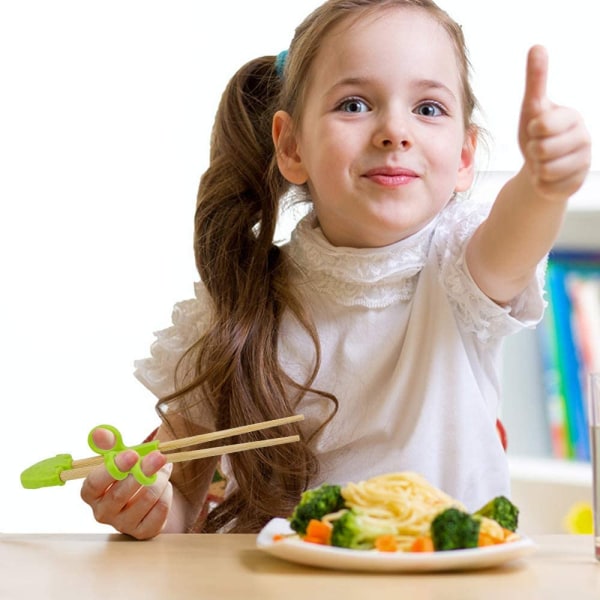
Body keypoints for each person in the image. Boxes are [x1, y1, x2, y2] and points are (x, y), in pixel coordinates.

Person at [80, 0, 591, 540]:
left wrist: (543, 185)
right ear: (291, 145)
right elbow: (181, 499)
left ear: (465, 158)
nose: (395, 130)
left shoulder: (462, 268)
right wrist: (147, 504)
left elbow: (514, 239)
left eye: (429, 109)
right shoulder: (239, 301)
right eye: (354, 104)